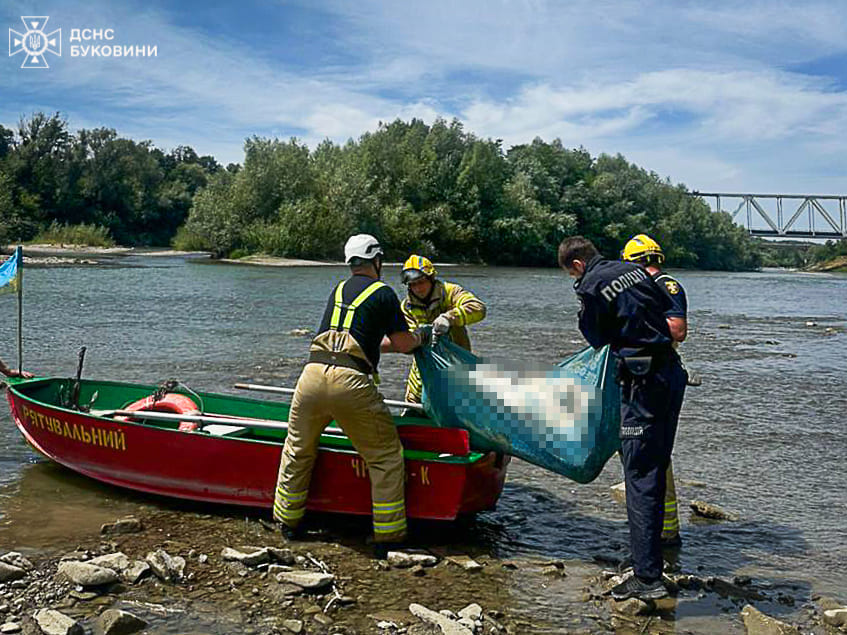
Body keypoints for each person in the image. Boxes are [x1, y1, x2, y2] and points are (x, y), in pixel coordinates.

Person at [273, 234, 424, 557]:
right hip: (350, 381)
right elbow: (403, 344)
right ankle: (388, 537)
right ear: (377, 261)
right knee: (385, 456)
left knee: (298, 449)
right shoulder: (383, 293)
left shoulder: (338, 289)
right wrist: (423, 337)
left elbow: (365, 338)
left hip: (311, 376)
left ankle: (287, 523)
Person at [558, 236, 686, 601]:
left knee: (639, 474)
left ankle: (647, 578)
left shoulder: (591, 284)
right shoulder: (636, 272)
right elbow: (664, 318)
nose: (574, 279)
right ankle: (650, 559)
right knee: (655, 466)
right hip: (670, 375)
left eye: (572, 274)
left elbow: (596, 337)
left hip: (642, 385)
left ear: (578, 265)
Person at [621, 234, 687, 548]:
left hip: (656, 376)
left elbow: (678, 330)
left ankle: (662, 531)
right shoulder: (642, 287)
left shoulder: (665, 285)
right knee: (644, 451)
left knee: (651, 452)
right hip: (642, 374)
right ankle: (656, 527)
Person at [400, 255, 486, 404]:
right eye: (413, 284)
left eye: (421, 282)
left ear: (431, 279)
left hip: (456, 367)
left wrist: (449, 318)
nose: (418, 289)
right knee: (414, 407)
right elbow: (408, 344)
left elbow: (479, 308)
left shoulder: (450, 292)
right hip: (422, 373)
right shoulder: (407, 307)